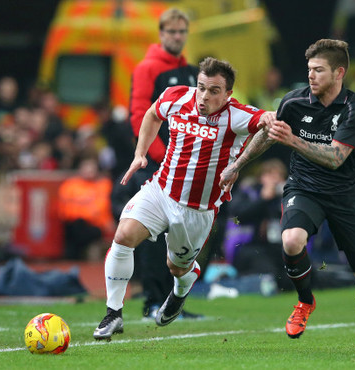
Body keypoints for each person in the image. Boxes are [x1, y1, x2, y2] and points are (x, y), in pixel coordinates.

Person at [220, 39, 355, 352]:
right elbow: (267, 137)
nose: (311, 76)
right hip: (304, 187)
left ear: (339, 73)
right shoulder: (294, 101)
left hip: (345, 196)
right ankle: (304, 301)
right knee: (291, 240)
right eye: (309, 69)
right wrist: (237, 166)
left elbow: (336, 157)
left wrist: (294, 141)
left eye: (318, 70)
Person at [93, 57, 273, 340]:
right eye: (201, 87)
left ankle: (183, 285)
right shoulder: (177, 96)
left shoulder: (236, 115)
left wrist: (240, 162)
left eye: (214, 91)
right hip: (160, 190)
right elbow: (152, 114)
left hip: (196, 211)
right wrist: (141, 153)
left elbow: (266, 123)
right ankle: (113, 313)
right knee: (124, 235)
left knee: (176, 267)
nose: (204, 96)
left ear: (228, 94)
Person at [125, 7, 202, 320]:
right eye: (172, 32)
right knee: (152, 235)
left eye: (182, 32)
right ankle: (152, 302)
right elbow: (140, 115)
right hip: (160, 164)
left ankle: (173, 303)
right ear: (161, 34)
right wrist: (158, 156)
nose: (177, 37)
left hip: (185, 168)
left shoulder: (192, 72)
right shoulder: (148, 68)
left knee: (182, 236)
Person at [227, 158, 292, 291]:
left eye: (278, 176)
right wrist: (263, 199)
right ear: (261, 177)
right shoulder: (248, 192)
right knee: (268, 274)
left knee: (294, 274)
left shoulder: (283, 197)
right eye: (270, 175)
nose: (275, 180)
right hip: (247, 248)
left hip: (275, 247)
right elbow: (238, 216)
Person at [58, 156, 115, 260]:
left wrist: (83, 210)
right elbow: (64, 209)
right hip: (74, 223)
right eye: (86, 168)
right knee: (76, 226)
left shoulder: (104, 184)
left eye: (92, 168)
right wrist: (86, 211)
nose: (89, 171)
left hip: (96, 225)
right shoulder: (70, 185)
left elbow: (101, 208)